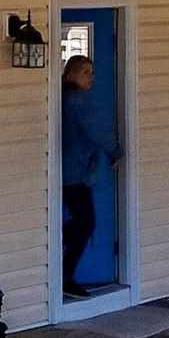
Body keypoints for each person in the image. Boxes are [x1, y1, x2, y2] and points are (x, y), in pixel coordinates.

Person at [60, 53, 119, 298]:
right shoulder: (77, 101)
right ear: (71, 74)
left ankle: (58, 246)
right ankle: (65, 277)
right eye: (86, 73)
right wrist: (115, 151)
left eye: (92, 73)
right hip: (74, 173)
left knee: (82, 222)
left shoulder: (61, 97)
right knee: (86, 223)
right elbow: (97, 130)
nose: (91, 78)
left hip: (65, 171)